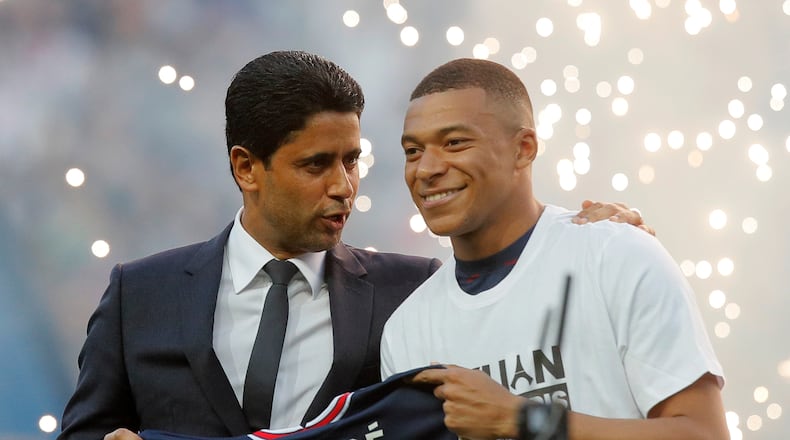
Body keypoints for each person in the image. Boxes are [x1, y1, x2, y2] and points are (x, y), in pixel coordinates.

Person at [58, 51, 649, 440]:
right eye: (316, 164)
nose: (344, 187)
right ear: (246, 167)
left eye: (352, 160)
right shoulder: (141, 294)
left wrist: (600, 238)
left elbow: (525, 311)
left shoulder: (414, 291)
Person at [380, 58, 728, 440]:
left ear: (523, 149)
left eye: (454, 143)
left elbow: (704, 434)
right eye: (413, 151)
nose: (426, 168)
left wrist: (524, 419)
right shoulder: (406, 330)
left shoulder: (617, 256)